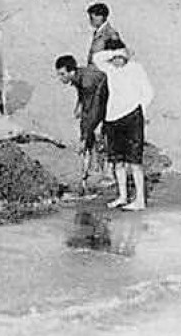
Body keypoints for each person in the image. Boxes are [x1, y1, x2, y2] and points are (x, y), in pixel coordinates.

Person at [94, 37, 154, 211]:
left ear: (126, 56)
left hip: (132, 117)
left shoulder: (135, 68)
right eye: (114, 58)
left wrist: (139, 109)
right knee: (117, 161)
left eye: (120, 57)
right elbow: (96, 58)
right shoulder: (110, 68)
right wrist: (116, 53)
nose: (117, 61)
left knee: (135, 161)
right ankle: (122, 196)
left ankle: (140, 200)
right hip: (112, 118)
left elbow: (149, 92)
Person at [55, 54, 109, 188]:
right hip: (97, 96)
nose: (60, 78)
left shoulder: (87, 82)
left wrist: (84, 136)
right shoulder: (79, 76)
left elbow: (93, 110)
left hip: (108, 99)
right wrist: (78, 105)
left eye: (62, 74)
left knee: (99, 135)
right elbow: (83, 96)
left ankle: (107, 174)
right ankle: (88, 171)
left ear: (71, 72)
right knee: (88, 133)